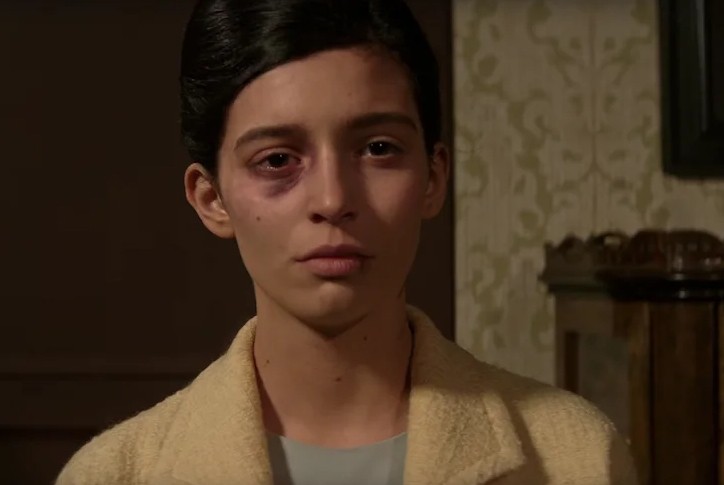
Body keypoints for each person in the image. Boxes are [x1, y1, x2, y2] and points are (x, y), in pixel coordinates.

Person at [56, 0, 637, 484]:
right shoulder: (114, 474)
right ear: (211, 198)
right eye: (277, 160)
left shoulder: (575, 458)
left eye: (378, 149)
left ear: (434, 178)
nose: (333, 199)